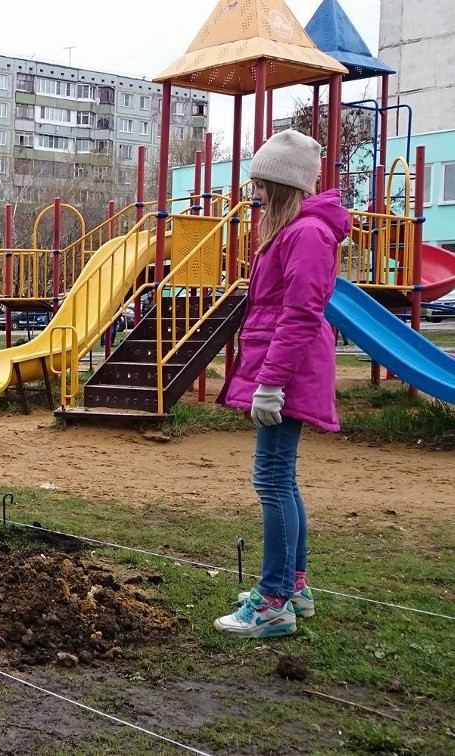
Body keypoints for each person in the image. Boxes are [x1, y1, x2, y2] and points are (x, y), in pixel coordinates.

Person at [214, 130, 350, 638]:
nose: (255, 194)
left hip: (288, 372)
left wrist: (270, 384)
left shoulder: (306, 234)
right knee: (281, 478)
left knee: (270, 480)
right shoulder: (290, 230)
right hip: (282, 368)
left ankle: (273, 602)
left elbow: (299, 315)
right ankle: (293, 585)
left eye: (261, 182)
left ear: (282, 182)